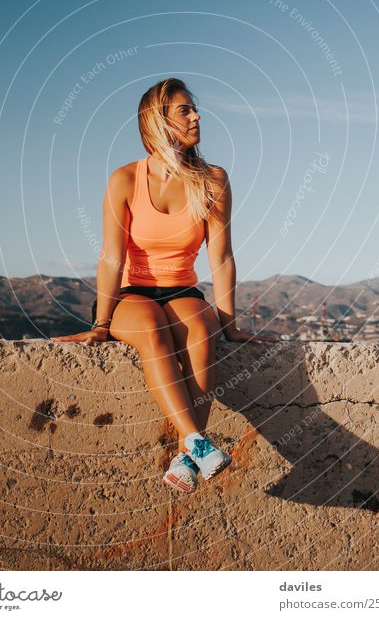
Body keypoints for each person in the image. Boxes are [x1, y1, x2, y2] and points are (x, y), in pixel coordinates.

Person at [52, 77, 277, 493]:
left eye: (194, 108)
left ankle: (186, 456)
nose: (197, 116)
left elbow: (221, 256)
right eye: (185, 110)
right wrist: (101, 323)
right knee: (153, 329)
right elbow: (112, 257)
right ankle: (197, 443)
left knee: (202, 333)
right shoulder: (125, 179)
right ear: (158, 121)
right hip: (134, 294)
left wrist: (229, 323)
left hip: (183, 291)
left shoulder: (212, 179)